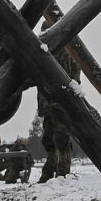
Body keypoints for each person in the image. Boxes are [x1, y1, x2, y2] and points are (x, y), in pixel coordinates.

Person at [37, 51, 81, 181]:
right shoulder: (41, 54)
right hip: (47, 105)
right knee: (48, 140)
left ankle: (63, 173)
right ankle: (49, 171)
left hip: (61, 104)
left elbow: (75, 79)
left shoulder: (68, 54)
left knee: (61, 139)